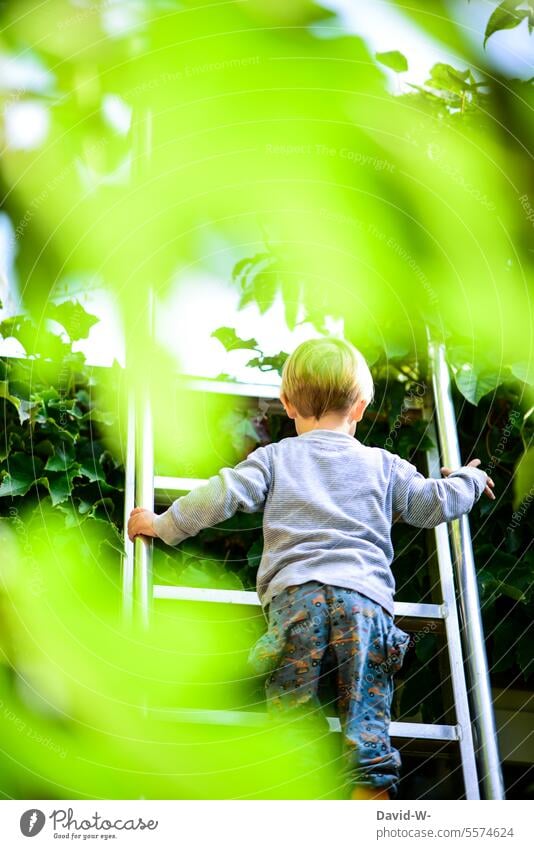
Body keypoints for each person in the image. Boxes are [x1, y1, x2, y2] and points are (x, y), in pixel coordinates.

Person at [127, 337, 495, 800]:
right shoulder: (383, 465)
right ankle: (369, 794)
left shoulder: (275, 458)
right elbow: (430, 504)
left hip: (297, 598)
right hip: (364, 602)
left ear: (286, 403)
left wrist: (164, 524)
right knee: (366, 704)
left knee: (292, 699)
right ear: (360, 407)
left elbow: (221, 495)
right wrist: (469, 478)